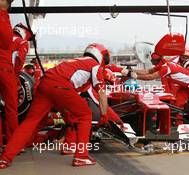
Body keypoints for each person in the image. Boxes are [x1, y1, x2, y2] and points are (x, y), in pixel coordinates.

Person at [0, 43, 110, 168]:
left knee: (30, 122)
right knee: (85, 115)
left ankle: (5, 158)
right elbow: (101, 93)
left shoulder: (76, 61)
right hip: (60, 86)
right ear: (100, 55)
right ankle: (81, 156)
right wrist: (104, 114)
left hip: (45, 83)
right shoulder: (95, 66)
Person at [0, 0, 18, 146]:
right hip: (6, 69)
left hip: (5, 68)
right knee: (11, 108)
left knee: (11, 108)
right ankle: (12, 143)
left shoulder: (4, 17)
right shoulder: (5, 19)